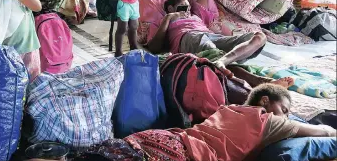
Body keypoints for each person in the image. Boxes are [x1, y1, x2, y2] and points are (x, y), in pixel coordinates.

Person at [124, 84, 336, 161]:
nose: (287, 118)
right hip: (183, 154)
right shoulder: (269, 121)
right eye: (285, 110)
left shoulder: (229, 108)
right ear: (265, 102)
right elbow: (324, 132)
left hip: (163, 137)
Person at [146, 0, 267, 73]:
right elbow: (154, 48)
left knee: (259, 37)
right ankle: (244, 74)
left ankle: (223, 60)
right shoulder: (163, 21)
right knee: (209, 48)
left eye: (188, 8)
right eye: (183, 7)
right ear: (170, 8)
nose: (187, 11)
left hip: (212, 36)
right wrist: (169, 18)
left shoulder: (197, 15)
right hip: (188, 37)